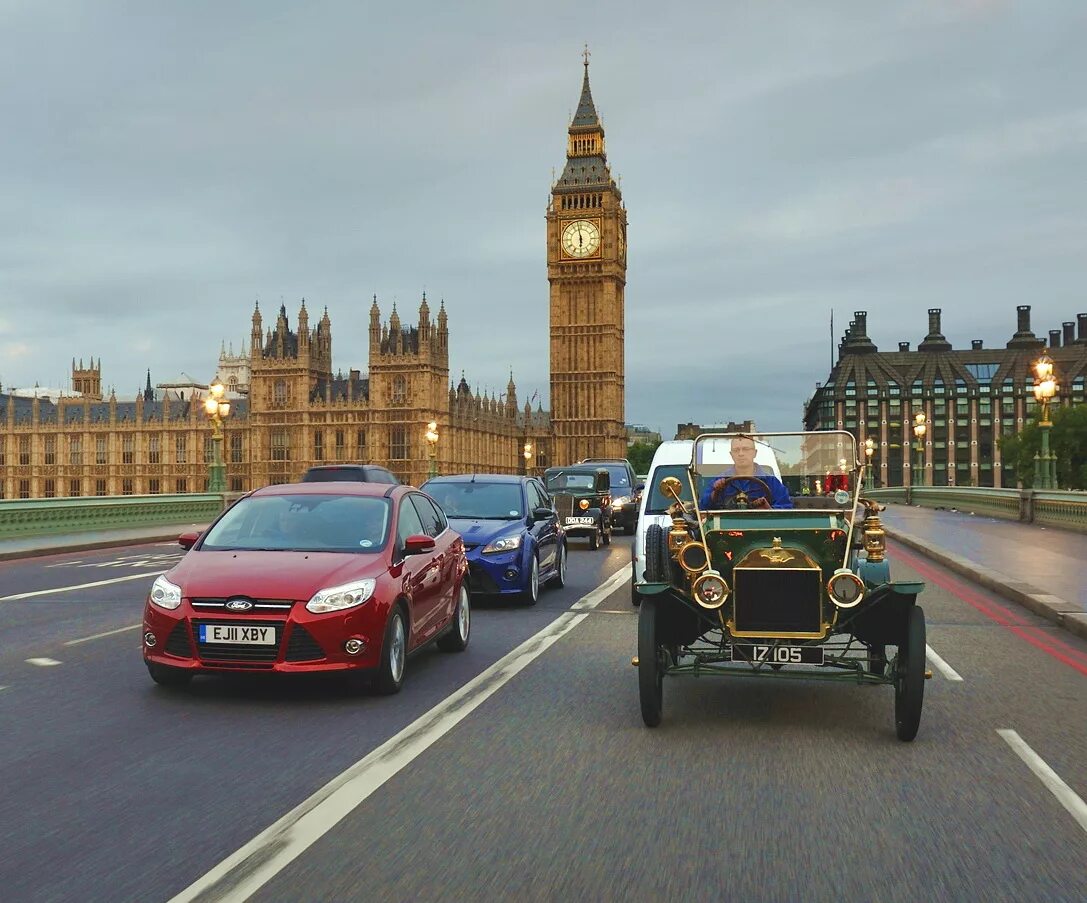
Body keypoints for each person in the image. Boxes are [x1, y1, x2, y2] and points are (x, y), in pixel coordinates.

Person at [699, 435, 792, 510]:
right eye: (736, 450)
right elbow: (702, 508)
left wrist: (768, 509)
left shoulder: (771, 482)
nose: (741, 454)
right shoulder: (719, 481)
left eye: (746, 449)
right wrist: (715, 493)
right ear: (731, 455)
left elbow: (786, 508)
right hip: (728, 528)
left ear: (755, 453)